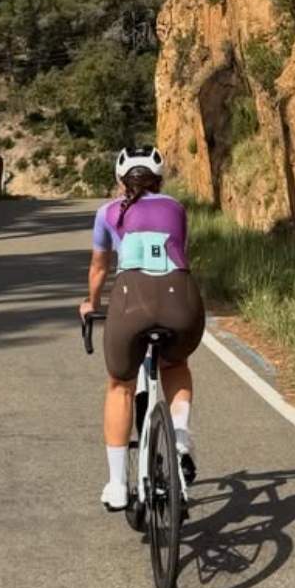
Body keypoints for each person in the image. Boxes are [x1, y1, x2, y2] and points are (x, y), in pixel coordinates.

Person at [79, 146, 206, 510]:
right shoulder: (177, 208)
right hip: (181, 300)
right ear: (159, 179)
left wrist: (91, 304)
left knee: (120, 384)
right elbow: (180, 254)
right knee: (175, 364)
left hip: (130, 301)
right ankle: (179, 433)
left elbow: (99, 268)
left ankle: (118, 485)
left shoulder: (107, 213)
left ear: (121, 179)